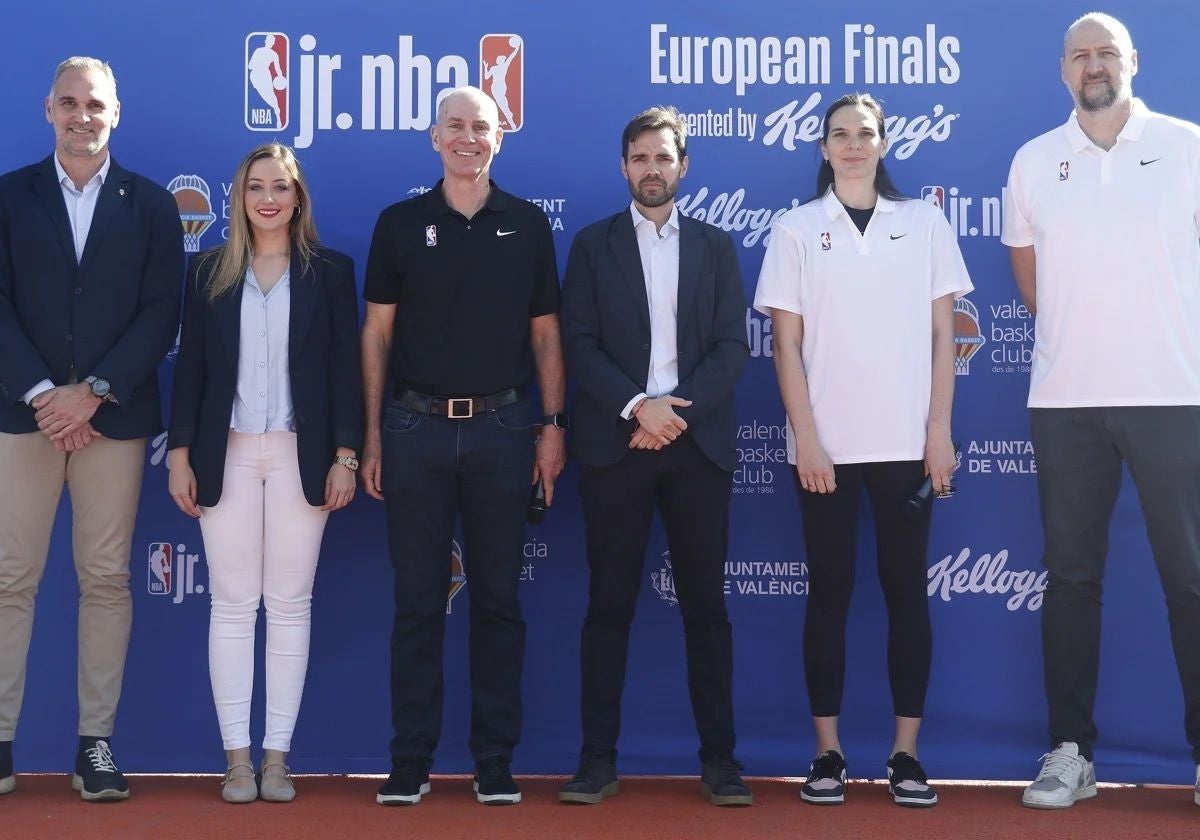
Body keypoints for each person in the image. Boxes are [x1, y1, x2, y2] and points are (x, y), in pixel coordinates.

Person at [1003, 13, 1200, 810]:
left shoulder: (1189, 147)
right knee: (1073, 580)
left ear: (1133, 63)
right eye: (1080, 54)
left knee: (1191, 581)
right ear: (1062, 71)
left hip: (1173, 397)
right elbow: (1029, 279)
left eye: (1106, 52)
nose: (1094, 64)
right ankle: (1071, 752)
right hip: (1066, 402)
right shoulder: (1031, 161)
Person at [754, 92, 971, 808]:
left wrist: (939, 432)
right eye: (840, 134)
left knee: (907, 595)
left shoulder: (925, 223)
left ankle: (906, 755)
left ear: (883, 144)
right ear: (822, 147)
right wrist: (807, 437)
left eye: (865, 134)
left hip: (908, 446)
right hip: (825, 451)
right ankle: (829, 754)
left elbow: (947, 338)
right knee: (830, 594)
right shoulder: (795, 228)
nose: (853, 145)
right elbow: (785, 343)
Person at [361, 86, 565, 807]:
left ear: (500, 138)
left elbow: (547, 336)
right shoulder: (399, 223)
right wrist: (373, 433)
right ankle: (410, 760)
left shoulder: (529, 225)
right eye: (456, 126)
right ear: (433, 136)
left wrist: (553, 427)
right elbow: (376, 334)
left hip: (505, 432)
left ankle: (494, 760)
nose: (468, 138)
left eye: (482, 127)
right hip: (413, 432)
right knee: (417, 604)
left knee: (499, 604)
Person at [0, 56, 184, 800]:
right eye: (70, 103)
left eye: (96, 105)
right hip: (23, 415)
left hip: (114, 420)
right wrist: (48, 393)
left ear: (116, 115)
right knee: (11, 579)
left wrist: (94, 393)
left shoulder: (151, 205)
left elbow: (159, 311)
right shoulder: (10, 196)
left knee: (105, 580)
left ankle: (95, 746)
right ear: (49, 110)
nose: (83, 116)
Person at [558, 106, 752, 807]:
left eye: (663, 157)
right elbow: (579, 343)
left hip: (695, 447)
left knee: (707, 610)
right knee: (607, 606)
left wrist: (673, 413)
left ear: (683, 166)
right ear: (623, 167)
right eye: (639, 158)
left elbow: (733, 345)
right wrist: (640, 407)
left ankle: (722, 763)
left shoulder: (715, 247)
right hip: (617, 446)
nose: (651, 169)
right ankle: (596, 762)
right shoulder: (591, 246)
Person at [166, 142, 361, 803]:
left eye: (281, 186)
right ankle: (237, 761)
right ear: (239, 197)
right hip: (227, 454)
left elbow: (343, 373)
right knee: (230, 605)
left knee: (289, 606)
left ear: (298, 197)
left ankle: (278, 758)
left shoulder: (331, 272)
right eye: (256, 187)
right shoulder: (210, 273)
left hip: (299, 456)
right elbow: (190, 368)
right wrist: (180, 454)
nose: (269, 198)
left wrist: (344, 454)